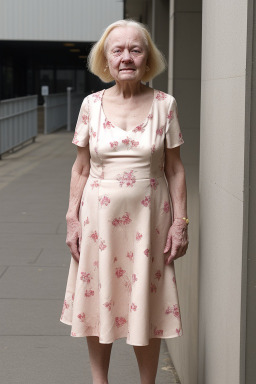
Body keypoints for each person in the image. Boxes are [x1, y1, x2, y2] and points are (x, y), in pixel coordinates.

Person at [60, 19, 189, 384]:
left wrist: (181, 223)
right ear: (106, 58)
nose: (126, 57)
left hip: (150, 222)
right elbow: (81, 167)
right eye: (117, 50)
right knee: (98, 297)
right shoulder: (91, 104)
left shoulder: (166, 105)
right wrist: (71, 217)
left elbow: (175, 170)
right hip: (98, 222)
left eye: (135, 49)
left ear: (147, 58)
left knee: (143, 304)